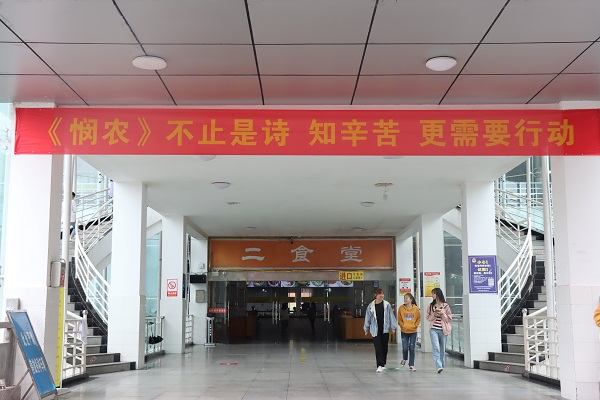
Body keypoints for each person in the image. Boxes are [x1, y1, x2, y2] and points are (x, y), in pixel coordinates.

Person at [363, 288, 397, 372]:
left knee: (384, 347)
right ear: (375, 295)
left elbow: (391, 316)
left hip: (385, 329)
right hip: (375, 329)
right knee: (378, 347)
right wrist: (366, 328)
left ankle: (383, 363)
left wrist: (393, 327)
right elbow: (367, 318)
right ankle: (379, 365)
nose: (381, 295)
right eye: (379, 294)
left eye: (382, 294)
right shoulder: (371, 306)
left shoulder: (387, 305)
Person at [426, 287, 452, 373]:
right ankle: (439, 365)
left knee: (442, 349)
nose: (432, 295)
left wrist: (443, 313)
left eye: (433, 293)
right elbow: (428, 318)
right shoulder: (431, 306)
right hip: (433, 329)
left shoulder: (446, 306)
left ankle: (441, 365)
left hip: (443, 330)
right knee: (436, 347)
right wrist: (434, 314)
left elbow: (449, 319)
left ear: (438, 294)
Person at [398, 293, 421, 371]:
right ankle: (404, 358)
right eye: (404, 298)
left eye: (407, 298)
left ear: (411, 299)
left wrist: (415, 325)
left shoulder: (416, 309)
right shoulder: (401, 308)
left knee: (412, 348)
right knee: (405, 348)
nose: (405, 299)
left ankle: (411, 365)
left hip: (413, 331)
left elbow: (418, 318)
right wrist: (402, 325)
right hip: (404, 331)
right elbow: (399, 319)